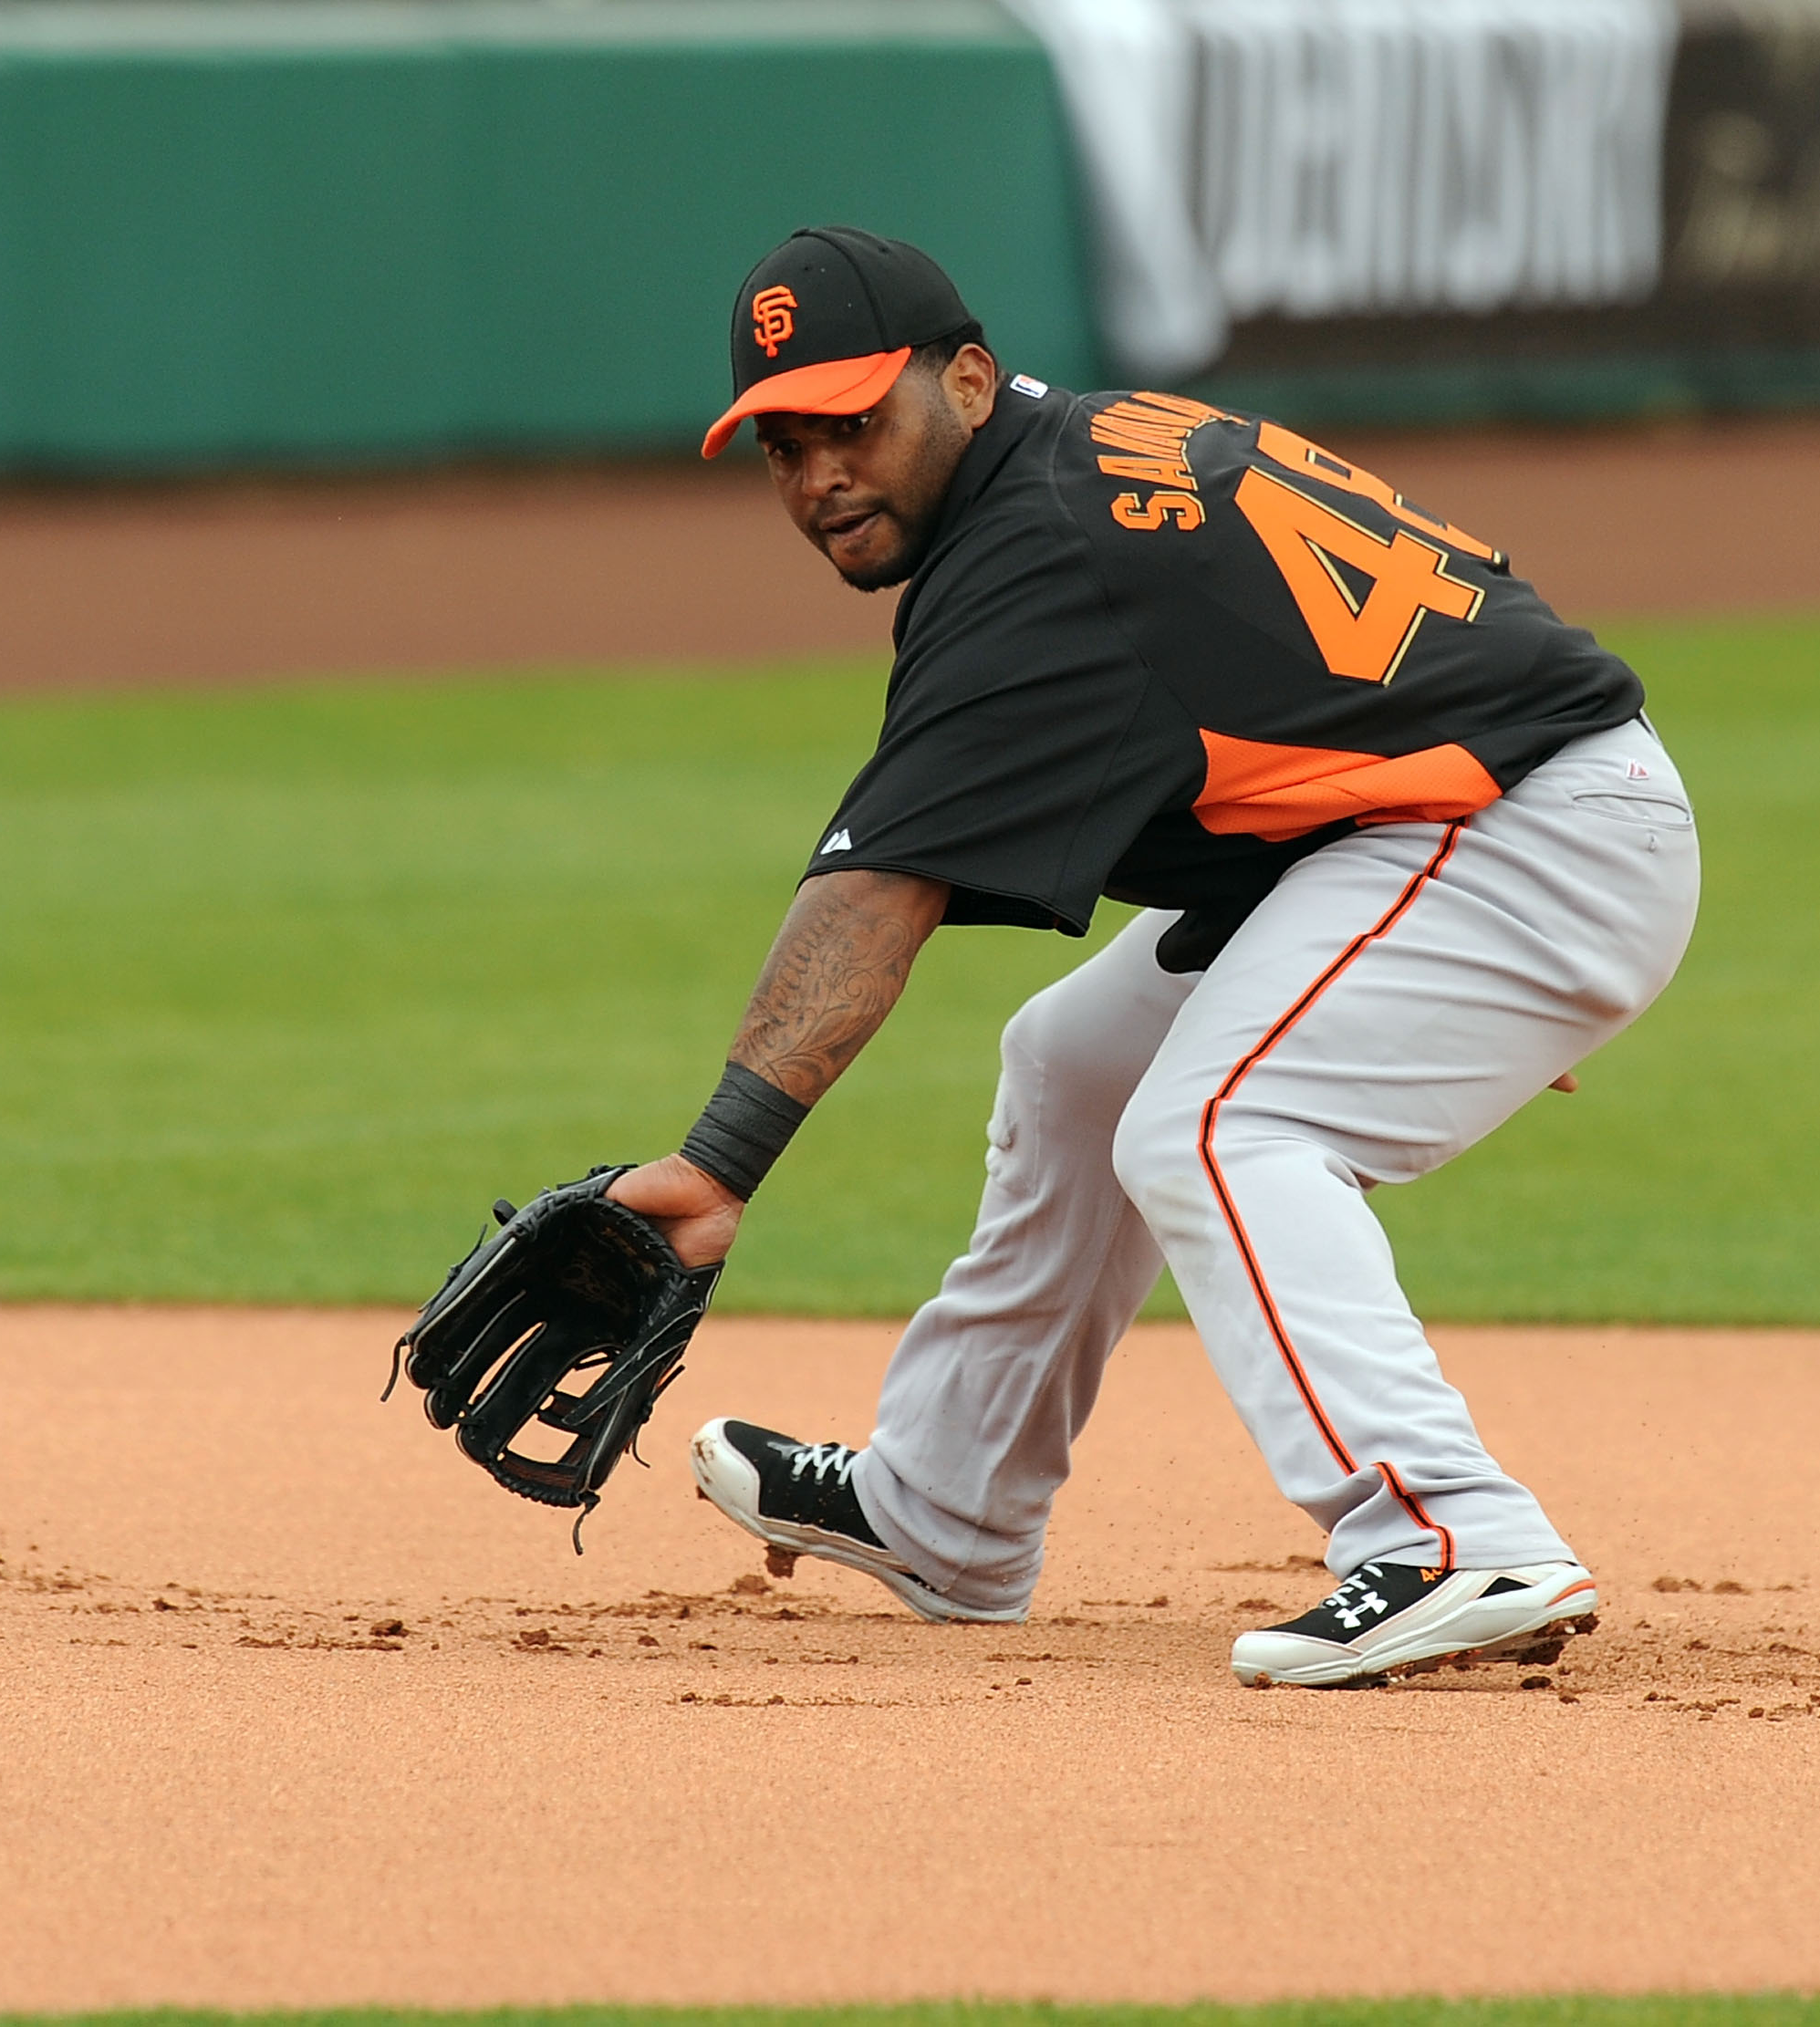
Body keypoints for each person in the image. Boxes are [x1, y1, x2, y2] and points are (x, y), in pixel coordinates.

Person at [608, 226, 1700, 1688]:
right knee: (1071, 1064)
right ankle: (947, 1508)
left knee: (1219, 1123)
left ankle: (1450, 1532)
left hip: (1517, 827)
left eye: (855, 421)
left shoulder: (1031, 557)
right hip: (1440, 829)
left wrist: (719, 1161)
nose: (820, 478)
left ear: (970, 380)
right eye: (784, 444)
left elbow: (876, 893)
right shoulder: (1088, 453)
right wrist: (1421, 978)